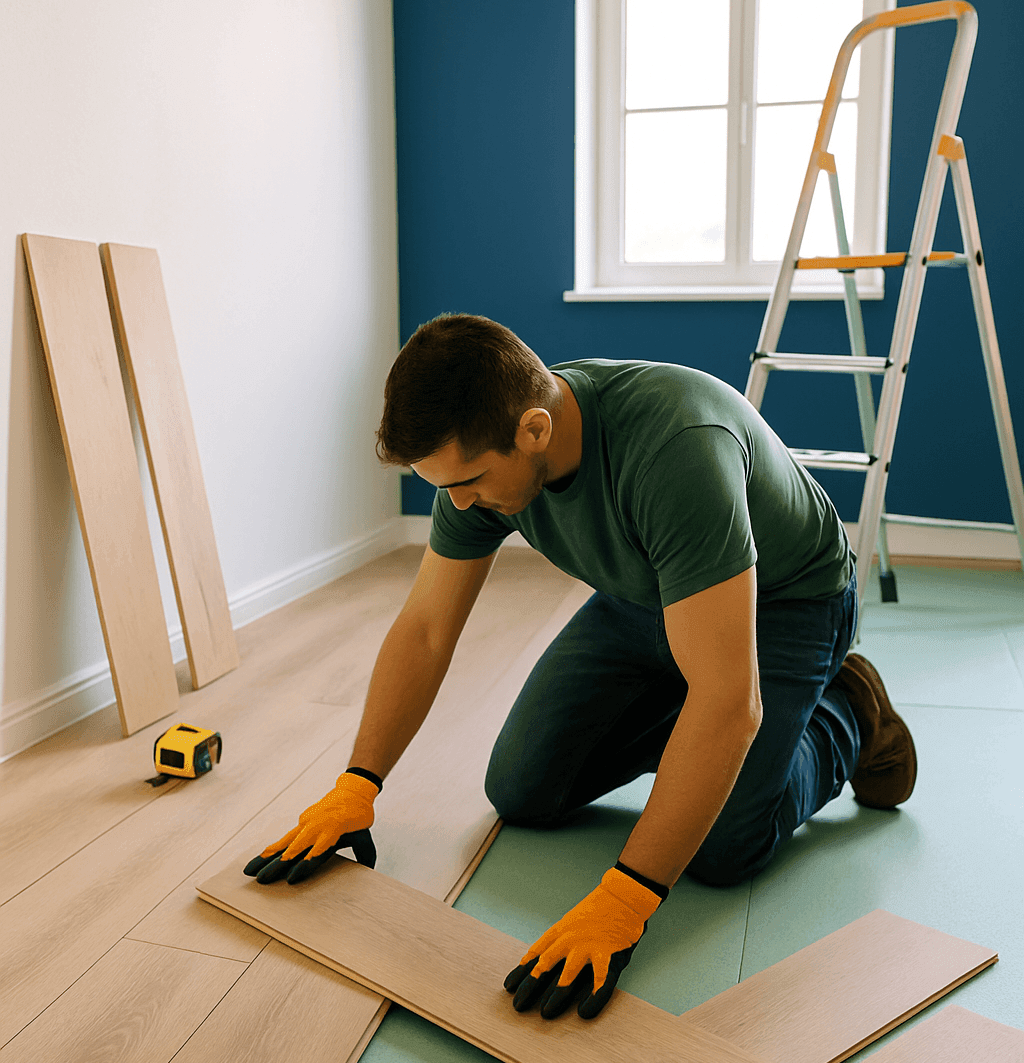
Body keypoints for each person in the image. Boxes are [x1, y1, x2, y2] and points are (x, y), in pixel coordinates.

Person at [245, 314, 916, 1021]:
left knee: (720, 849)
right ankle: (701, 734)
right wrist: (358, 782)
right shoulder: (479, 461)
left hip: (784, 602)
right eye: (444, 487)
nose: (460, 503)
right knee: (523, 788)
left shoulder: (677, 448)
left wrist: (627, 896)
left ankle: (849, 711)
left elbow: (728, 701)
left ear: (535, 429)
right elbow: (424, 630)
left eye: (469, 480)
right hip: (647, 595)